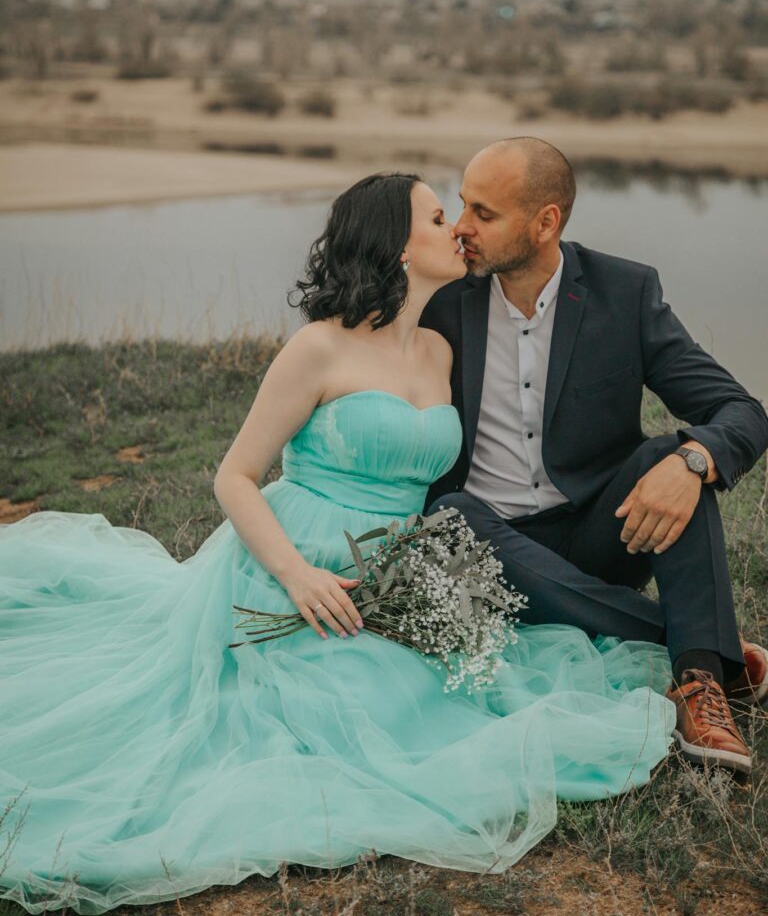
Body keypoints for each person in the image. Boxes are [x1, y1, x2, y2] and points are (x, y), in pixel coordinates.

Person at [0, 173, 676, 915]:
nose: (456, 228)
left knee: (467, 689)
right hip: (300, 556)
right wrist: (295, 577)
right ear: (395, 242)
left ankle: (691, 647)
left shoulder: (440, 353)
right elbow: (235, 477)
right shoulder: (318, 349)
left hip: (398, 563)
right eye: (437, 215)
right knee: (349, 713)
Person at [421, 138, 768, 776]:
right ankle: (705, 651)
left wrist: (692, 463)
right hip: (488, 547)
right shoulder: (441, 303)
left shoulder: (624, 293)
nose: (462, 228)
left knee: (674, 455)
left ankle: (699, 694)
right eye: (462, 205)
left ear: (546, 221)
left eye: (484, 213)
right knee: (451, 513)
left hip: (598, 535)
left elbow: (742, 412)